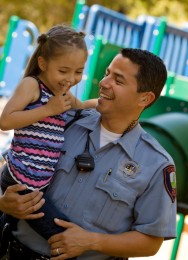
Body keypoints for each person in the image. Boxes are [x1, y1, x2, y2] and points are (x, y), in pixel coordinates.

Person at [0, 48, 177, 260]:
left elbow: (150, 242)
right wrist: (3, 202)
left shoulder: (156, 164)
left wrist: (91, 241)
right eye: (107, 73)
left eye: (118, 80)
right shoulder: (61, 120)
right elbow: (10, 167)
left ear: (145, 99)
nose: (104, 83)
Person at [0, 24, 97, 240]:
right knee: (62, 234)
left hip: (38, 182)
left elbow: (81, 106)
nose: (71, 79)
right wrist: (48, 110)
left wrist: (103, 104)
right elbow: (5, 121)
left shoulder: (63, 94)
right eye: (63, 71)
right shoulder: (32, 85)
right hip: (20, 179)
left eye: (79, 71)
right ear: (43, 63)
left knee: (8, 230)